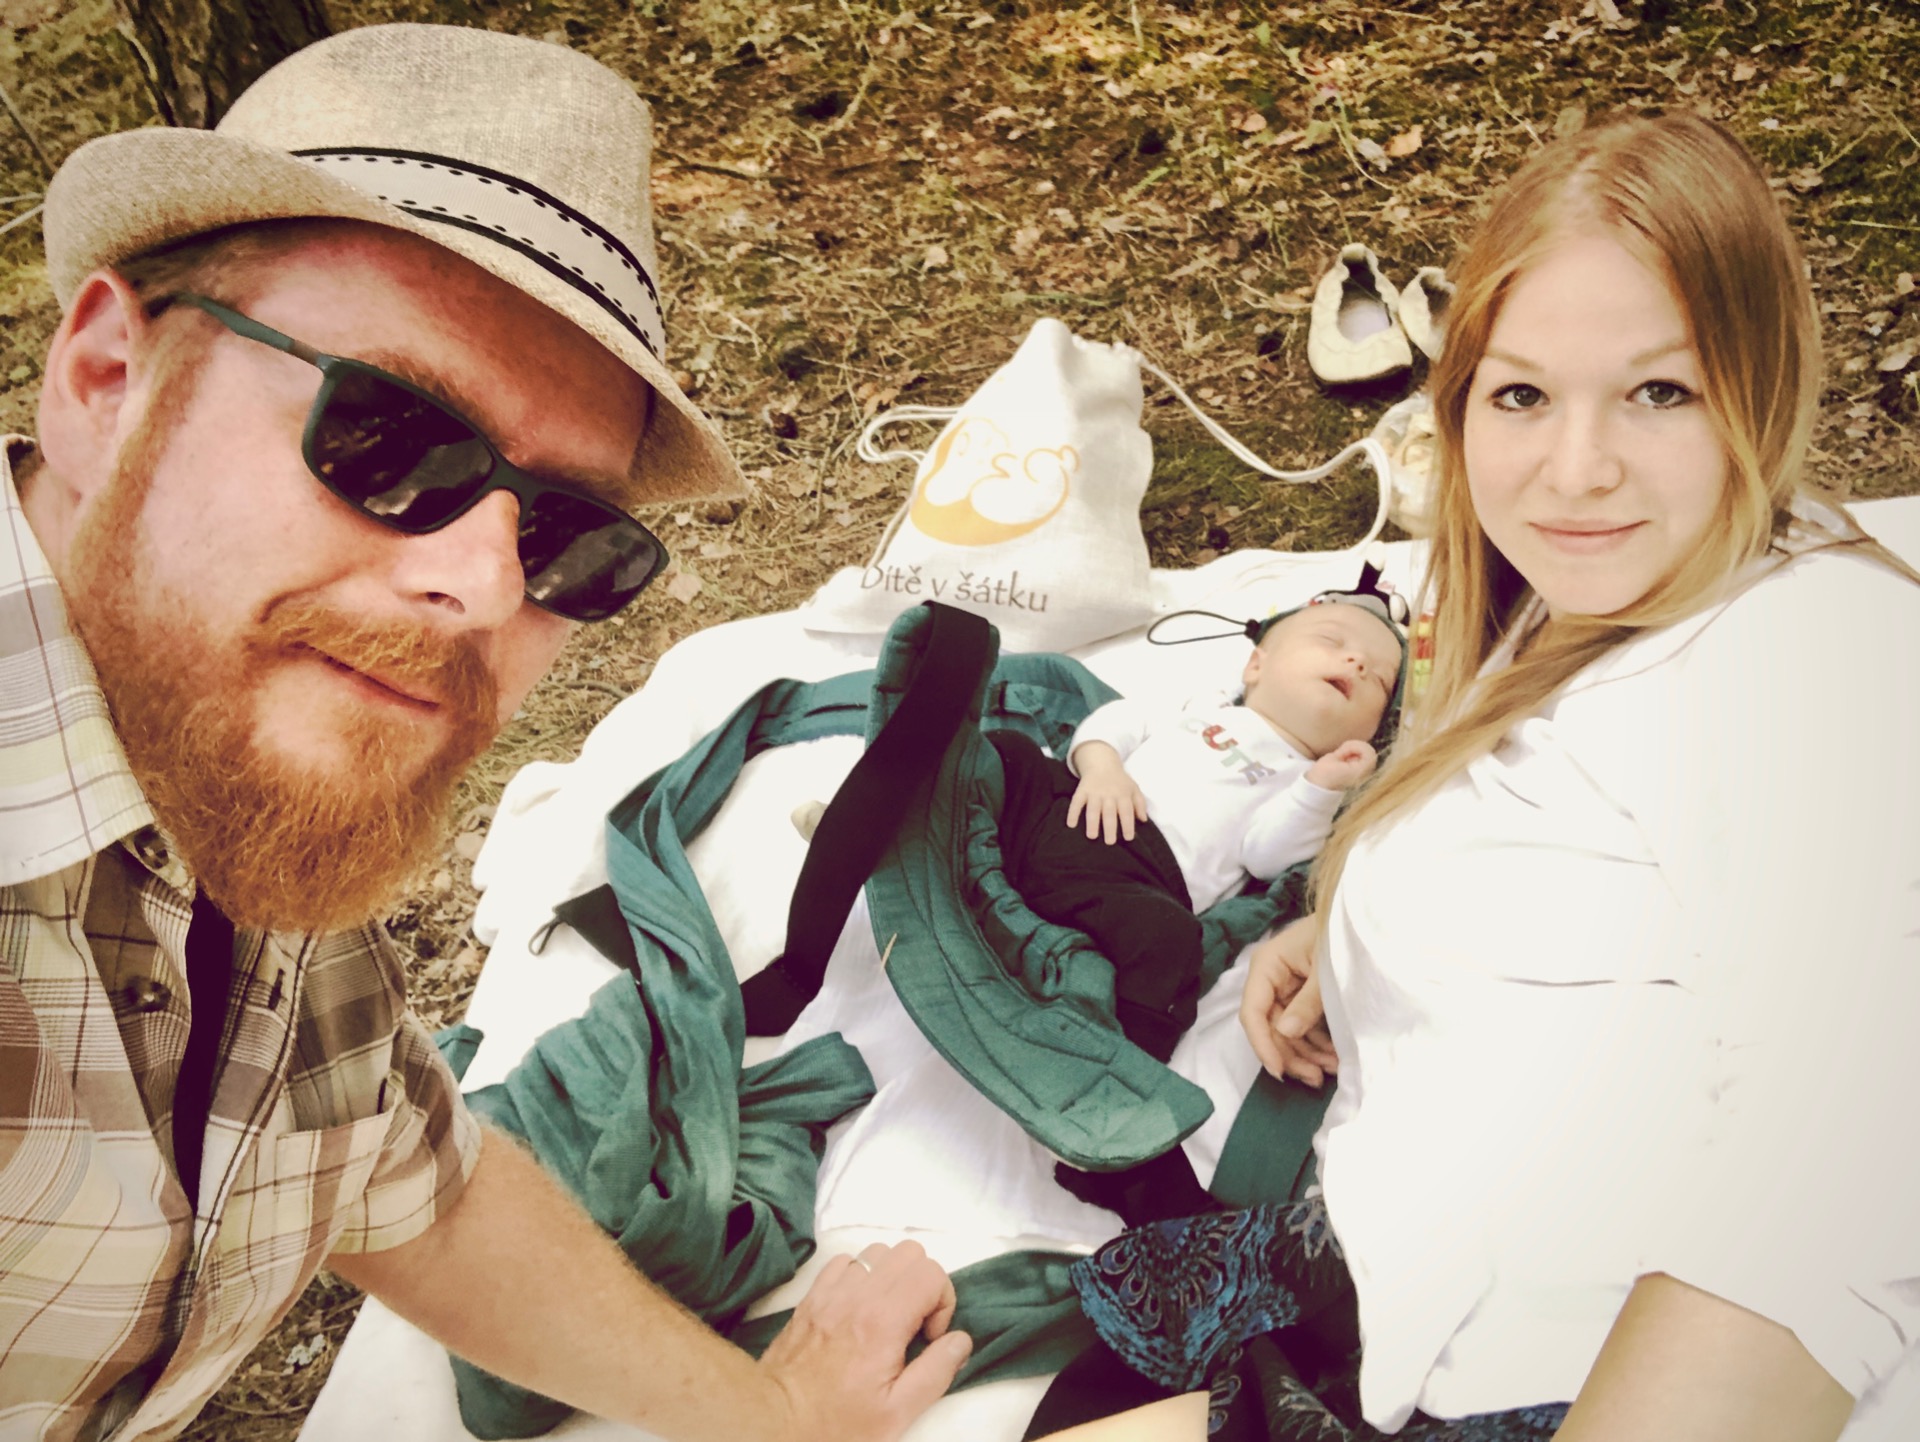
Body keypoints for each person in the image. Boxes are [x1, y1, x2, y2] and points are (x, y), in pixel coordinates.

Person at [0, 24, 967, 1442]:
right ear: (103, 380)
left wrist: (772, 1415)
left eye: (570, 534)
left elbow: (407, 1176)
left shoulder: (219, 740)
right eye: (390, 439)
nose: (486, 586)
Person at [1210, 110, 1919, 1441]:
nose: (1576, 472)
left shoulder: (1816, 654)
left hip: (1535, 1390)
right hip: (1373, 1288)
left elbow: (1843, 1185)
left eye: (1661, 390)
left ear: (1760, 386)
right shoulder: (1599, 589)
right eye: (1523, 394)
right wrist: (1361, 933)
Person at [995, 595, 1403, 1065]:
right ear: (1255, 666)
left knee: (1171, 945)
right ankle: (940, 816)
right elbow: (1121, 721)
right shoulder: (1204, 706)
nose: (1357, 663)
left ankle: (1107, 1065)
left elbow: (1266, 857)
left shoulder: (1304, 782)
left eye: (1379, 679)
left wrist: (1321, 789)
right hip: (1081, 806)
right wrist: (1102, 767)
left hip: (1139, 877)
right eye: (1332, 641)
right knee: (1011, 753)